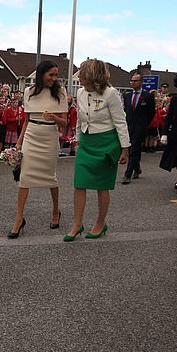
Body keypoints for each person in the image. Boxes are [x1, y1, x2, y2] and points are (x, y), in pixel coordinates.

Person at [64, 59, 130, 241]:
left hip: (107, 144)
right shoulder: (79, 92)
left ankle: (100, 223)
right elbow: (79, 120)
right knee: (79, 183)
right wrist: (77, 141)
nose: (80, 78)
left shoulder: (111, 94)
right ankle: (77, 224)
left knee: (102, 186)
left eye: (82, 74)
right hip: (86, 142)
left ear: (93, 76)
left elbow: (120, 122)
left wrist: (125, 149)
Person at [8, 60, 67, 237]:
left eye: (56, 75)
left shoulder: (61, 92)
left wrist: (54, 118)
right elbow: (26, 120)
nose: (54, 78)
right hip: (31, 136)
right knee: (24, 178)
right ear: (41, 74)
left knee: (51, 178)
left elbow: (65, 122)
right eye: (51, 75)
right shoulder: (29, 92)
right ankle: (19, 219)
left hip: (49, 136)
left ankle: (56, 211)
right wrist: (18, 143)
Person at [122, 73, 155, 184]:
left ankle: (128, 174)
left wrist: (145, 124)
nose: (133, 83)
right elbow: (126, 110)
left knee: (135, 148)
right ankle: (137, 168)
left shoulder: (147, 96)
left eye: (135, 81)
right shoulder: (127, 96)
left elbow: (151, 112)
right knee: (131, 149)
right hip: (129, 126)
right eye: (132, 81)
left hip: (140, 127)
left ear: (141, 82)